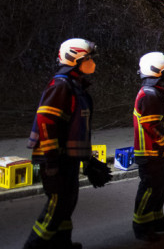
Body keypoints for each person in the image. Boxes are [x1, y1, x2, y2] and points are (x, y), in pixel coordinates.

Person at [24, 38, 102, 249]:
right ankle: (34, 245)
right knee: (57, 204)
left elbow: (76, 129)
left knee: (67, 202)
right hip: (53, 158)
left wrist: (87, 159)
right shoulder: (61, 86)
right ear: (73, 59)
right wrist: (51, 161)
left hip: (65, 158)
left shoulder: (75, 87)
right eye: (87, 59)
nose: (91, 63)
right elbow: (46, 122)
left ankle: (61, 242)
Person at [132, 52, 164, 242]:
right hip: (152, 151)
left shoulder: (158, 92)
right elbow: (152, 125)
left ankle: (157, 218)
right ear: (156, 71)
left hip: (161, 151)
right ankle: (141, 226)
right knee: (150, 189)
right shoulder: (150, 94)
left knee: (160, 187)